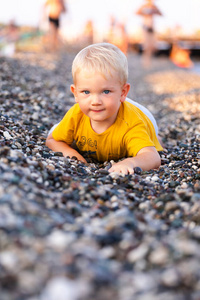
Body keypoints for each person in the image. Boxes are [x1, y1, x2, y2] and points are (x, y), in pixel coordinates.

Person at [46, 43, 163, 174]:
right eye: (86, 92)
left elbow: (152, 157)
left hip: (141, 115)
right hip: (114, 104)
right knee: (54, 130)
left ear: (123, 92)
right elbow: (52, 140)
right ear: (75, 93)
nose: (95, 101)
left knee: (151, 141)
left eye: (106, 91)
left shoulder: (131, 123)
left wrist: (130, 162)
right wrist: (73, 155)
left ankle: (155, 137)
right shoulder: (76, 114)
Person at [136, 0, 162, 68]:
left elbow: (161, 14)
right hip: (145, 28)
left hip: (152, 29)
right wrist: (144, 11)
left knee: (153, 46)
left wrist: (154, 10)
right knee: (146, 46)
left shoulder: (154, 7)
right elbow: (137, 12)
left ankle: (149, 60)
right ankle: (145, 61)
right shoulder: (143, 6)